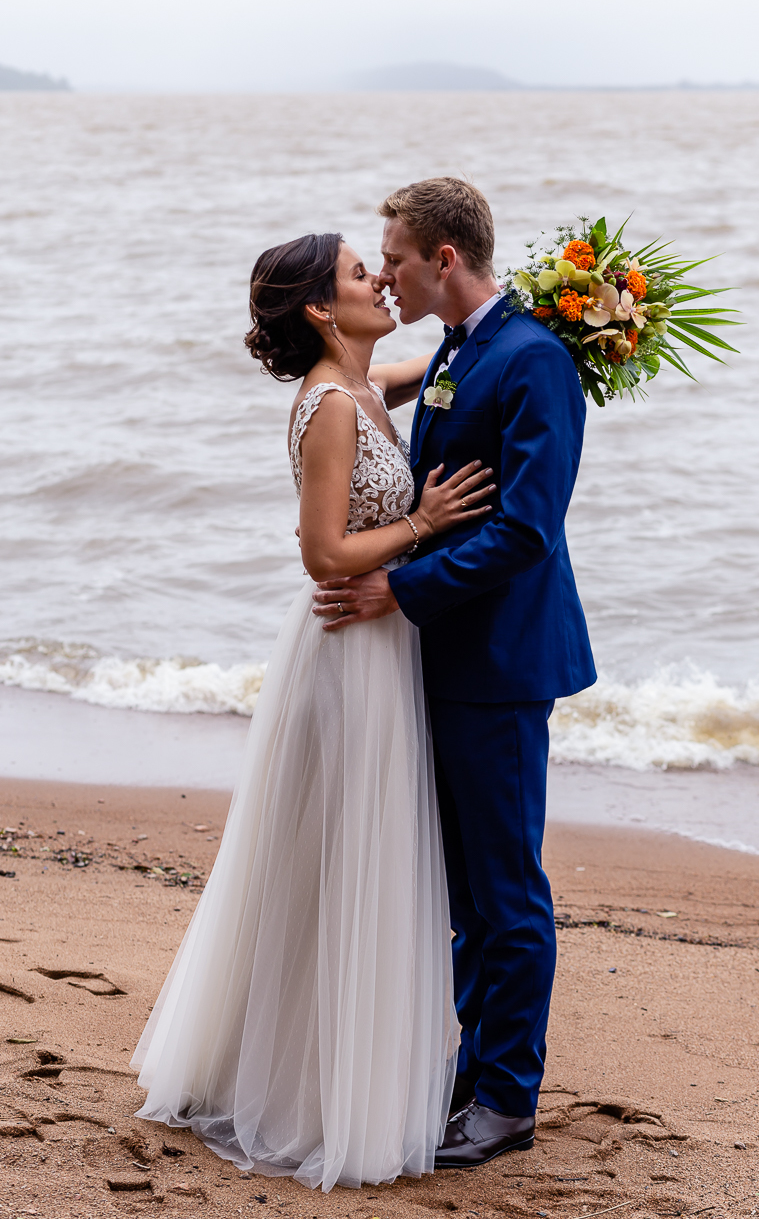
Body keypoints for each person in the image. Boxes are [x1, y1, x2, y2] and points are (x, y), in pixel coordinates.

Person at [131, 231, 496, 1192]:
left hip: (382, 643)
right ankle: (310, 1091)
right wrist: (423, 523)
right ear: (322, 313)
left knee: (352, 858)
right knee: (340, 859)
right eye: (356, 273)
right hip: (347, 647)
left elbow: (448, 357)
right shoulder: (332, 407)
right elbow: (324, 553)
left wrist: (536, 318)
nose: (379, 278)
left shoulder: (370, 388)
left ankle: (330, 1066)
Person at [312, 178, 597, 1169]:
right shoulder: (457, 350)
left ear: (443, 259)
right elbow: (363, 400)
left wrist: (402, 589)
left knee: (506, 889)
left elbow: (527, 529)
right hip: (448, 657)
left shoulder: (533, 360)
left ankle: (509, 1099)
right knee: (467, 893)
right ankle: (475, 1070)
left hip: (502, 661)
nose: (384, 273)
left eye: (393, 256)